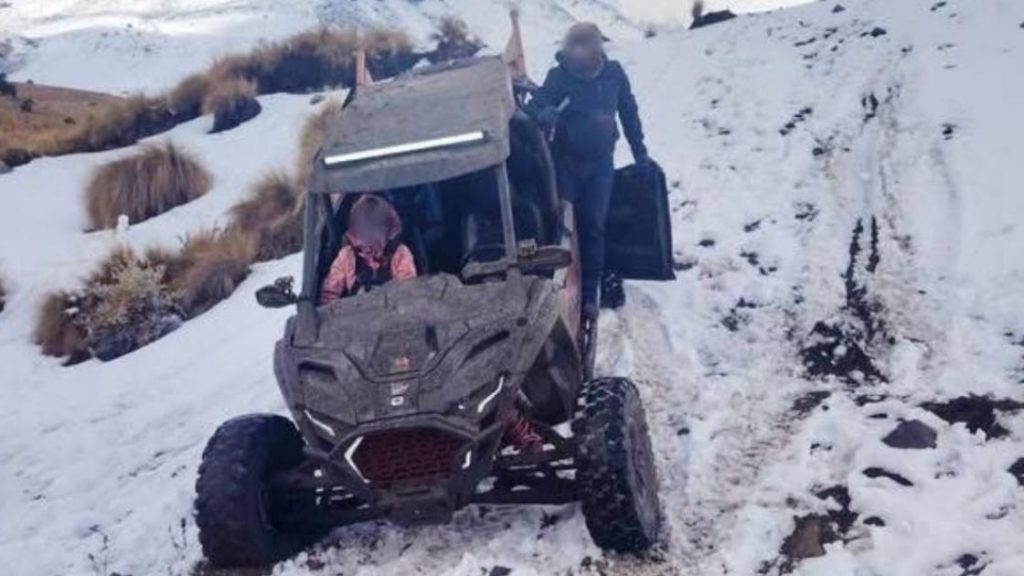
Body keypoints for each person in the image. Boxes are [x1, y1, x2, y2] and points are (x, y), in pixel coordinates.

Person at [526, 22, 649, 320]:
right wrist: (543, 114)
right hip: (566, 163)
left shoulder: (614, 74)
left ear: (596, 47)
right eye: (575, 46)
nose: (580, 52)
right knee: (563, 227)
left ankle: (589, 295)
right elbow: (532, 108)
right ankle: (560, 294)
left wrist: (640, 153)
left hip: (601, 165)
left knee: (594, 224)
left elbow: (629, 113)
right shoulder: (558, 77)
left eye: (586, 45)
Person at [320, 194, 417, 303]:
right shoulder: (347, 257)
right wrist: (331, 308)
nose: (368, 250)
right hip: (354, 311)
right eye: (363, 245)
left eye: (374, 245)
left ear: (388, 234)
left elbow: (408, 292)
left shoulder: (400, 255)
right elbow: (328, 294)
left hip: (392, 310)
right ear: (355, 236)